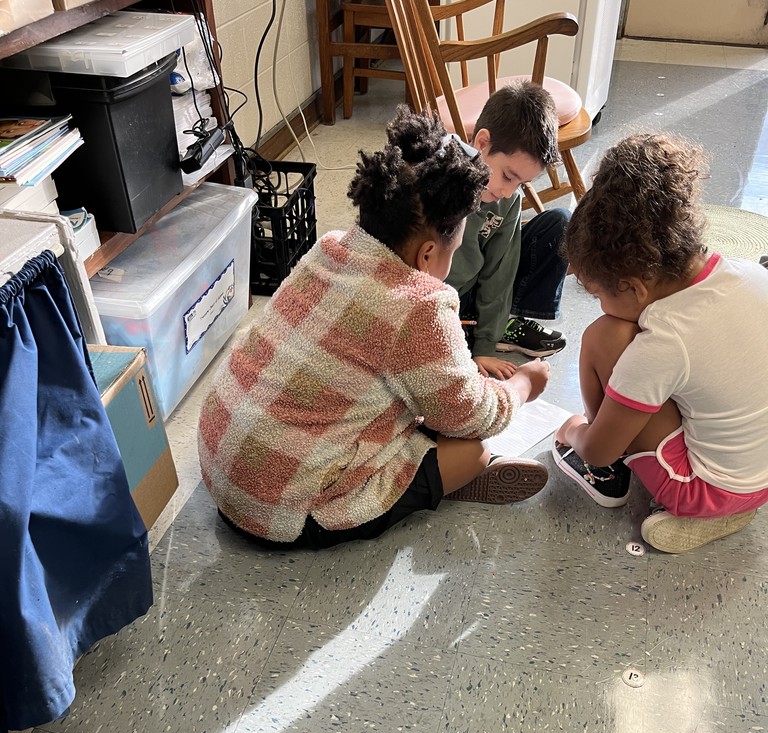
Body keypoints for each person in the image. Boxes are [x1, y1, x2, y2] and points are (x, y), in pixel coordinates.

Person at [198, 107, 551, 550]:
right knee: (470, 447)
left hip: (220, 461)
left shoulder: (330, 247)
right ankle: (447, 480)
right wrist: (521, 386)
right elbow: (472, 414)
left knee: (412, 396)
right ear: (427, 255)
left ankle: (434, 468)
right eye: (453, 249)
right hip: (282, 512)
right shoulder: (420, 304)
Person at [552, 132, 768, 553]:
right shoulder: (751, 273)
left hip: (709, 490)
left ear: (634, 287)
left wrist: (575, 431)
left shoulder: (665, 341)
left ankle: (710, 516)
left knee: (603, 337)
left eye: (599, 295)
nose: (599, 304)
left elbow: (597, 450)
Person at [446, 80, 570, 380]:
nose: (507, 190)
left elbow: (500, 271)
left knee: (560, 224)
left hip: (473, 295)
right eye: (507, 176)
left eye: (520, 183)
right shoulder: (440, 176)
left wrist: (485, 347)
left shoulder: (507, 199)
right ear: (481, 143)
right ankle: (479, 326)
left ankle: (499, 326)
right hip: (441, 296)